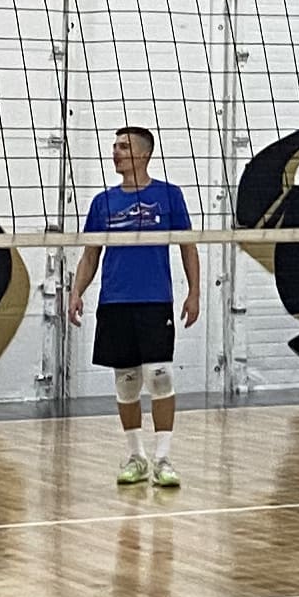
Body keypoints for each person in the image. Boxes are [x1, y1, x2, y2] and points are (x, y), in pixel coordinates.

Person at [67, 123, 200, 488]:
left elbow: (188, 247)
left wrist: (194, 293)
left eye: (124, 147)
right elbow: (90, 255)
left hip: (155, 300)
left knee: (160, 376)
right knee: (126, 384)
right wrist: (76, 291)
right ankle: (136, 457)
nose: (116, 152)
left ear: (144, 154)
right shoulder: (103, 202)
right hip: (115, 301)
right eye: (115, 147)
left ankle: (163, 459)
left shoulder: (169, 196)